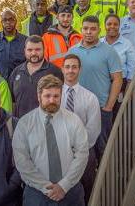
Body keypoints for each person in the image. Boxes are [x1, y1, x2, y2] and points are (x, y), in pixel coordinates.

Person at [12, 75, 89, 206]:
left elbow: (82, 155)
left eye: (56, 96)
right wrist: (46, 187)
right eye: (47, 96)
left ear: (61, 96)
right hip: (36, 194)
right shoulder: (25, 124)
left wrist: (63, 186)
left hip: (70, 192)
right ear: (38, 96)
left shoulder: (74, 121)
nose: (52, 100)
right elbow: (22, 161)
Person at [68, 15, 123, 162]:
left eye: (93, 29)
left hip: (101, 108)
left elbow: (117, 79)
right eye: (85, 28)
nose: (88, 32)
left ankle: (104, 182)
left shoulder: (109, 51)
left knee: (102, 148)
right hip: (76, 108)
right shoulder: (72, 51)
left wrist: (109, 107)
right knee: (76, 147)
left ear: (99, 30)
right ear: (81, 29)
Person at [61, 54, 101, 204]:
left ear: (79, 70)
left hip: (84, 150)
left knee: (87, 186)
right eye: (67, 67)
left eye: (74, 67)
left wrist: (77, 149)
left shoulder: (90, 98)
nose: (70, 70)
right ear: (62, 69)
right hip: (58, 151)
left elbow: (93, 129)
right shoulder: (53, 96)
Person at [9, 35, 63, 118]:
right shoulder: (16, 72)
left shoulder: (55, 72)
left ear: (44, 50)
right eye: (30, 50)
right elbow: (12, 102)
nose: (33, 53)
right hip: (21, 125)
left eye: (37, 49)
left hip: (46, 124)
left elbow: (61, 99)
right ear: (25, 51)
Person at [101, 14, 135, 120]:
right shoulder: (99, 43)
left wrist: (127, 88)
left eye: (115, 24)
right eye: (109, 24)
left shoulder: (127, 44)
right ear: (104, 26)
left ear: (119, 26)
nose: (112, 26)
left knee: (116, 115)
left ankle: (115, 137)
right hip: (102, 83)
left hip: (120, 85)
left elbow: (133, 68)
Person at [0, 8, 27, 80]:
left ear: (16, 21)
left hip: (19, 81)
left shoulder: (25, 41)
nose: (8, 22)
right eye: (5, 20)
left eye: (11, 19)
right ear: (1, 22)